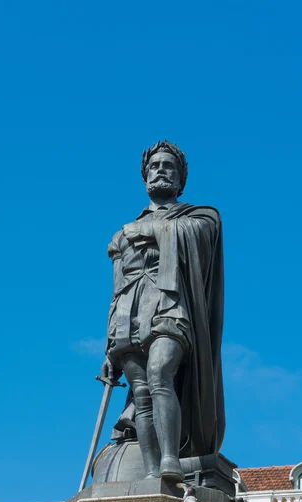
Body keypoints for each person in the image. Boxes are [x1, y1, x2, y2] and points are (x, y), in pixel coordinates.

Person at [101, 140, 225, 482]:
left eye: (168, 166)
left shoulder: (200, 218)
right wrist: (108, 345)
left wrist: (150, 228)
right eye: (154, 166)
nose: (160, 170)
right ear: (144, 178)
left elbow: (196, 238)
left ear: (180, 178)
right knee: (140, 391)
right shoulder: (120, 236)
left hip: (171, 306)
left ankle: (171, 458)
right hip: (129, 313)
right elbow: (116, 289)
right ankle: (153, 471)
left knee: (160, 373)